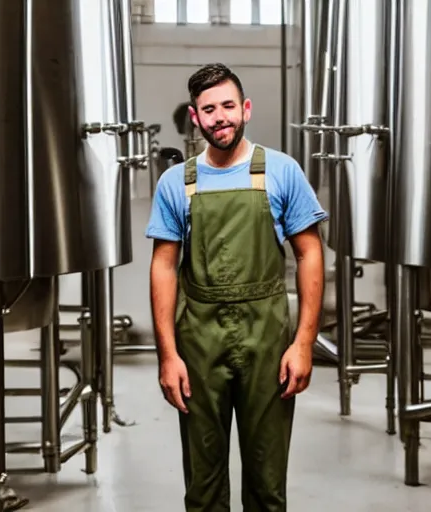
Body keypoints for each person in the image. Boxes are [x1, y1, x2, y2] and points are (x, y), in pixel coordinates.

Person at [146, 63, 327, 511]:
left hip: (266, 339)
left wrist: (303, 342)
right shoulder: (176, 183)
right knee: (203, 487)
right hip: (199, 344)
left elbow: (310, 254)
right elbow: (164, 268)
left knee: (267, 484)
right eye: (209, 109)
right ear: (195, 117)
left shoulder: (281, 171)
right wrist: (168, 356)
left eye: (228, 105)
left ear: (245, 108)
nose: (220, 116)